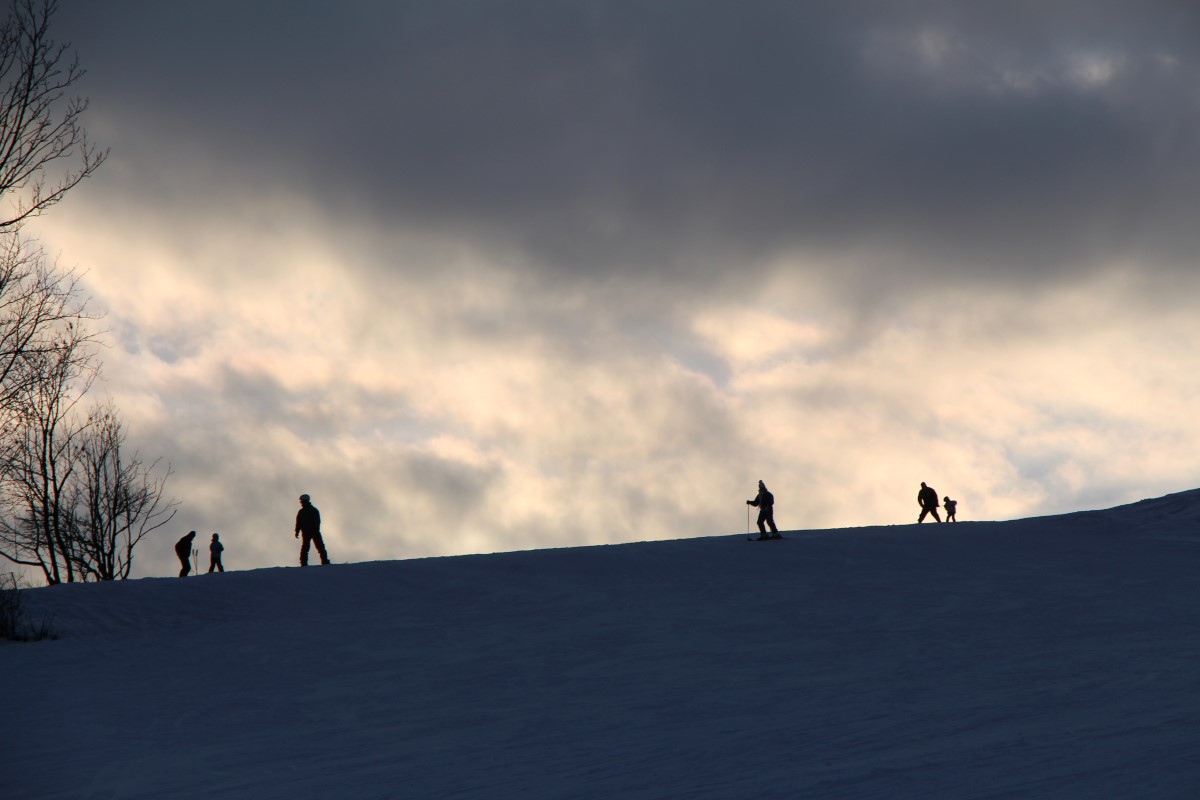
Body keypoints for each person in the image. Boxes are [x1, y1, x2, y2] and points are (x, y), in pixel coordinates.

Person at [295, 493, 330, 566]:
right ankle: (305, 563)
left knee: (316, 547)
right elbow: (298, 522)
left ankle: (323, 561)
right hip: (309, 532)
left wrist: (297, 531)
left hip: (312, 532)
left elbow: (317, 521)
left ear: (305, 501)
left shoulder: (310, 511)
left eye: (301, 501)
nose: (301, 503)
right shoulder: (305, 511)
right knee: (308, 547)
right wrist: (297, 531)